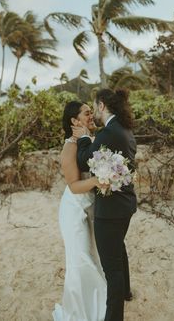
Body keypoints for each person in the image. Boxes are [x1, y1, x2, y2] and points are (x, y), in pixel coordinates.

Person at [72, 88, 137, 321]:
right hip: (126, 203)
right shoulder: (124, 127)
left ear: (101, 105)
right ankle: (127, 292)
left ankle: (114, 317)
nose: (93, 114)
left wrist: (81, 138)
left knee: (112, 267)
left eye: (94, 107)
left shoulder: (109, 132)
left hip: (111, 209)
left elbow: (84, 160)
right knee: (118, 248)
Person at [52, 101, 107, 321]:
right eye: (86, 114)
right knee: (80, 260)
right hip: (74, 210)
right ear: (74, 121)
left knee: (95, 258)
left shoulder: (90, 140)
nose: (91, 116)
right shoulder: (69, 148)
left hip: (91, 208)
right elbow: (74, 186)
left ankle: (100, 306)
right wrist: (99, 179)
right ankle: (79, 313)